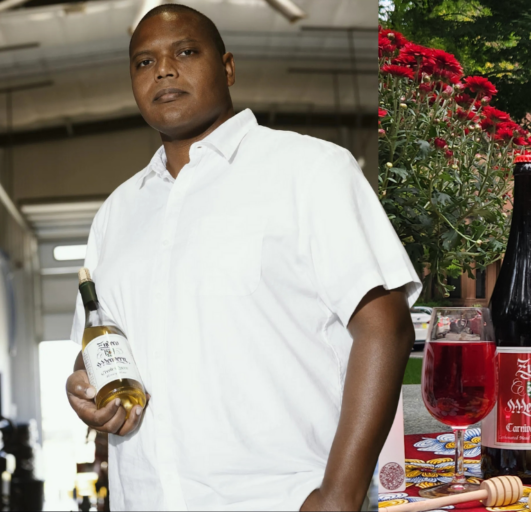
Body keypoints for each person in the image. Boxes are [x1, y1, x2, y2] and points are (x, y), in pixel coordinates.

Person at [64, 5, 421, 510]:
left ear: (227, 67)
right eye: (144, 62)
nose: (164, 69)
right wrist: (82, 386)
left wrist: (340, 496)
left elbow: (385, 326)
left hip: (285, 497)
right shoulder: (117, 214)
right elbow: (96, 343)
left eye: (185, 52)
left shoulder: (310, 171)